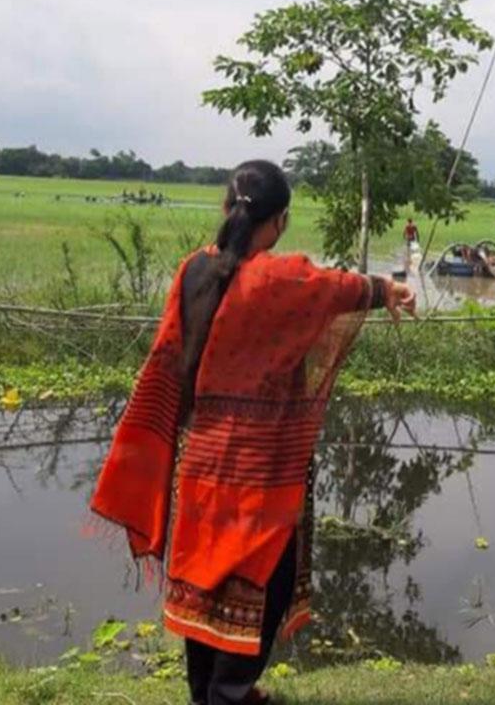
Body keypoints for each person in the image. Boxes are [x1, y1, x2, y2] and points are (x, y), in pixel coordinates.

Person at [91, 160, 415, 705]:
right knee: (265, 586)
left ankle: (209, 694)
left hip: (199, 467)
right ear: (281, 221)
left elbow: (169, 359)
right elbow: (334, 289)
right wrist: (387, 289)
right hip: (261, 476)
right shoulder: (281, 279)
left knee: (202, 587)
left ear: (225, 208)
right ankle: (229, 695)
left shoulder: (193, 271)